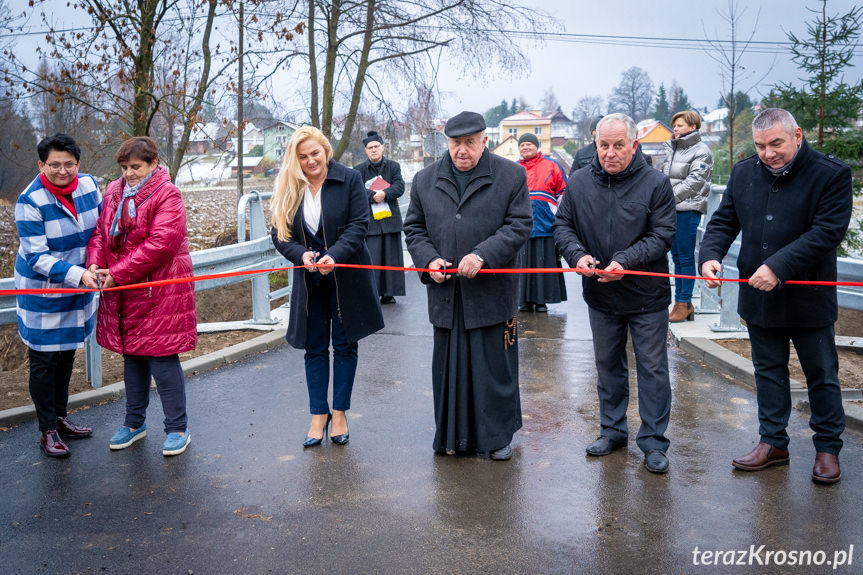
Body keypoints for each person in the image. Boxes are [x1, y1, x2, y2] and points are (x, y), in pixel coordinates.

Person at [699, 108, 853, 485]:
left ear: (797, 135)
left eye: (776, 144)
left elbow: (826, 232)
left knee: (821, 374)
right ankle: (773, 443)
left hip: (808, 298)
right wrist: (710, 256)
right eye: (761, 145)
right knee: (768, 372)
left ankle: (828, 449)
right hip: (759, 298)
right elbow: (723, 221)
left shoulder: (831, 174)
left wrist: (778, 267)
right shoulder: (744, 173)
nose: (768, 153)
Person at [404, 111, 532, 460]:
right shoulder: (424, 179)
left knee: (493, 368)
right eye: (456, 143)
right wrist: (428, 260)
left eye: (470, 143)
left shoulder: (511, 175)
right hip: (446, 293)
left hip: (491, 292)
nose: (463, 150)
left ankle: (498, 437)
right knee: (449, 370)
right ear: (447, 143)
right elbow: (414, 228)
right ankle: (452, 437)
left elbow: (519, 225)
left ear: (484, 141)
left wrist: (483, 255)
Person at [553, 113, 676, 474]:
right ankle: (612, 430)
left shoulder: (656, 183)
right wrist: (577, 255)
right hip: (600, 294)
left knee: (652, 368)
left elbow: (662, 234)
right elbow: (563, 225)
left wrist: (625, 259)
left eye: (618, 145)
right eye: (603, 145)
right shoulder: (578, 183)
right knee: (608, 364)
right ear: (595, 143)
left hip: (645, 295)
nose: (610, 153)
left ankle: (653, 441)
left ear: (634, 144)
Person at [271, 126, 384, 448]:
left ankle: (339, 413)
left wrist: (334, 255)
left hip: (345, 274)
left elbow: (359, 225)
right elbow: (279, 234)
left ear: (326, 150)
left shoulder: (348, 179)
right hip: (309, 281)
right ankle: (317, 414)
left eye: (315, 154)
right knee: (315, 347)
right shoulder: (290, 185)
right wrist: (299, 254)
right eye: (303, 156)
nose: (310, 161)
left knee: (345, 345)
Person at [86, 136, 196, 457]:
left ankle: (177, 428)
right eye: (124, 167)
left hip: (159, 293)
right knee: (132, 357)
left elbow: (161, 245)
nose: (129, 173)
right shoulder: (113, 192)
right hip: (125, 294)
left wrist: (116, 273)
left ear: (153, 164)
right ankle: (134, 423)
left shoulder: (168, 195)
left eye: (136, 167)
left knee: (162, 360)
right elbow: (100, 233)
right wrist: (96, 263)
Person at [14, 134, 101, 458]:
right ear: (41, 165)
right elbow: (37, 257)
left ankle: (61, 417)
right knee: (44, 360)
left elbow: (100, 230)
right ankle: (46, 429)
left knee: (66, 354)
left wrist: (95, 263)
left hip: (80, 281)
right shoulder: (30, 201)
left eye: (69, 164)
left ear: (78, 164)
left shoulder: (90, 186)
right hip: (44, 290)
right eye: (54, 165)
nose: (62, 171)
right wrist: (79, 275)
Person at [663, 110, 713, 322]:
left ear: (693, 127)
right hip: (670, 210)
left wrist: (667, 198)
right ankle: (681, 302)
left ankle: (683, 303)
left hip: (687, 210)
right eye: (674, 126)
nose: (675, 129)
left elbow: (695, 182)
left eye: (680, 125)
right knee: (675, 257)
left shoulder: (702, 151)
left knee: (685, 257)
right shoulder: (673, 148)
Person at [353, 130, 406, 304]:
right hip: (371, 222)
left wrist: (384, 193)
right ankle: (372, 292)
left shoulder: (393, 167)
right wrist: (372, 196)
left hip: (390, 220)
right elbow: (356, 190)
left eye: (376, 146)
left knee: (391, 257)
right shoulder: (358, 170)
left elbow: (400, 186)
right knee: (373, 258)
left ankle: (389, 292)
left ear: (382, 147)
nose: (374, 150)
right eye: (370, 148)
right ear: (366, 151)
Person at [516, 132, 567, 312]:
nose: (526, 147)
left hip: (545, 224)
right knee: (522, 264)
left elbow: (564, 195)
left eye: (529, 144)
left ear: (537, 146)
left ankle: (541, 301)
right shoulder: (513, 169)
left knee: (542, 263)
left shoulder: (552, 166)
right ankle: (523, 300)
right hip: (520, 227)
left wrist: (559, 219)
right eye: (522, 145)